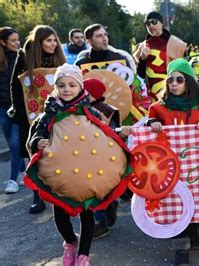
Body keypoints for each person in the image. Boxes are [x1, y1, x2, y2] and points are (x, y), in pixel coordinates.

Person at [26, 64, 131, 265]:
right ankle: (70, 242)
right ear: (56, 87)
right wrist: (37, 141)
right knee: (60, 217)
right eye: (62, 85)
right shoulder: (49, 113)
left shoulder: (91, 112)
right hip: (59, 177)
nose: (67, 89)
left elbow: (104, 136)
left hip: (86, 176)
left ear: (80, 87)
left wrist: (120, 133)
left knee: (87, 216)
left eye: (72, 85)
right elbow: (37, 134)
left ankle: (83, 255)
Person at [145, 58, 199, 265]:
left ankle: (192, 232)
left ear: (189, 82)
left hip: (196, 164)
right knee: (174, 202)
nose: (173, 83)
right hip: (169, 165)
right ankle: (181, 246)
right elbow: (150, 120)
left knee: (195, 198)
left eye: (179, 79)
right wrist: (153, 123)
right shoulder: (159, 107)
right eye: (170, 80)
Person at [75, 23, 132, 240]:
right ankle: (102, 216)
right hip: (86, 123)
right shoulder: (82, 63)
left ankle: (116, 197)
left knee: (114, 166)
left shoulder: (120, 59)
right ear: (89, 40)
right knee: (92, 174)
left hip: (116, 118)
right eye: (99, 36)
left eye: (105, 35)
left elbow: (130, 88)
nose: (104, 38)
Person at [9, 25, 66, 213]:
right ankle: (37, 196)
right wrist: (18, 111)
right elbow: (16, 86)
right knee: (33, 155)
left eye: (54, 40)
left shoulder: (59, 59)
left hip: (56, 115)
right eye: (48, 40)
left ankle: (63, 192)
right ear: (39, 42)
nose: (53, 44)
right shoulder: (25, 57)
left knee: (58, 153)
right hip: (30, 116)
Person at [134, 11, 187, 100]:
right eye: (147, 23)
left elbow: (185, 70)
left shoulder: (176, 43)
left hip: (172, 94)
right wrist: (143, 59)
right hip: (151, 97)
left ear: (161, 23)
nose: (150, 25)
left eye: (154, 22)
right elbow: (140, 76)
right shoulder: (143, 46)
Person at [0, 27, 25, 194]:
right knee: (11, 143)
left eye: (18, 40)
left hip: (16, 107)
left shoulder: (22, 57)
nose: (17, 43)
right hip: (1, 108)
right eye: (13, 40)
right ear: (3, 42)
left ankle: (12, 180)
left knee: (16, 144)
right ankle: (24, 171)